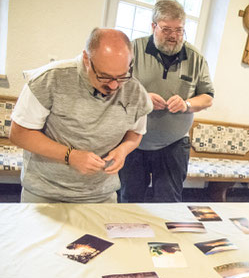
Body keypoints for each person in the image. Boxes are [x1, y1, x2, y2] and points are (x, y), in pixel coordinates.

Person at [9, 28, 153, 203]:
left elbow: (136, 133)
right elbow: (19, 134)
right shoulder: (49, 79)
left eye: (122, 76)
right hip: (46, 194)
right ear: (86, 59)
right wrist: (70, 156)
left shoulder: (135, 92)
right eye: (105, 77)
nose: (114, 86)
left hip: (102, 196)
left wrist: (123, 150)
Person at [119, 0, 214, 203]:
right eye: (166, 29)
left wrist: (187, 104)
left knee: (169, 205)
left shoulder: (196, 58)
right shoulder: (133, 49)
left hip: (174, 145)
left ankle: (162, 237)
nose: (173, 36)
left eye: (179, 30)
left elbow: (207, 98)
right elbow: (115, 87)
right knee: (129, 201)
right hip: (133, 142)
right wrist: (143, 98)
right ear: (153, 26)